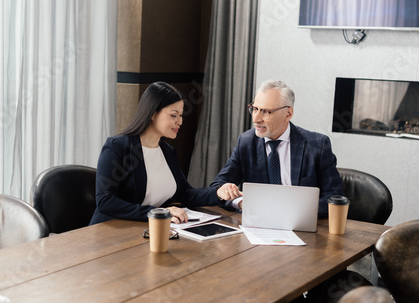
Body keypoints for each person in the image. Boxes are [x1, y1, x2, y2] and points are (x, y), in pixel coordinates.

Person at [89, 81, 240, 225]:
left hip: (146, 230)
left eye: (181, 115)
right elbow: (105, 201)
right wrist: (158, 213)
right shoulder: (117, 147)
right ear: (153, 114)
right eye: (173, 115)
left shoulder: (168, 152)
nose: (179, 121)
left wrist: (218, 192)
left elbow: (186, 194)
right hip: (110, 231)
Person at [211, 79, 343, 218]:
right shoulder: (246, 142)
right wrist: (240, 202)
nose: (256, 119)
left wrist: (292, 209)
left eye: (266, 112)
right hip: (258, 225)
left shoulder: (317, 145)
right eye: (255, 109)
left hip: (301, 225)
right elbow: (217, 188)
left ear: (288, 114)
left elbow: (334, 199)